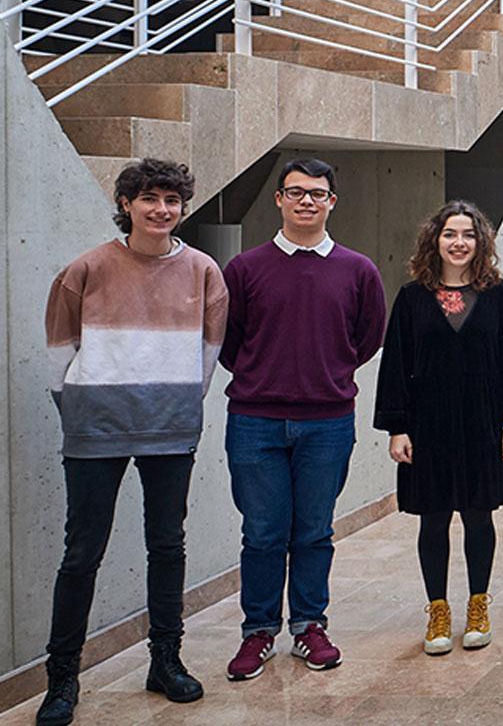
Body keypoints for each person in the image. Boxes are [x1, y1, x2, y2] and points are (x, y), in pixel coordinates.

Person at [37, 159, 226, 725]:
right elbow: (58, 353)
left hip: (170, 429)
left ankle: (165, 661)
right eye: (148, 199)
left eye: (171, 200)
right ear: (126, 204)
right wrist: (80, 409)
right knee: (81, 553)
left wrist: (179, 403)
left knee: (167, 545)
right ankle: (62, 678)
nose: (160, 210)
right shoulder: (87, 268)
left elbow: (208, 354)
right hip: (94, 429)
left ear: (182, 207)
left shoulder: (202, 270)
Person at [220, 158, 387, 680]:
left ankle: (309, 626)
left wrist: (325, 373)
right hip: (256, 420)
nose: (307, 201)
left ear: (332, 202)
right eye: (296, 193)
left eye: (317, 194)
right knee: (264, 532)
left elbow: (368, 337)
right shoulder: (244, 269)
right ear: (279, 200)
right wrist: (267, 374)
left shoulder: (358, 270)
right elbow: (229, 342)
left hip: (328, 421)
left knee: (314, 532)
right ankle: (259, 632)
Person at [375, 201, 503, 656]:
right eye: (450, 234)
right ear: (435, 240)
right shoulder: (411, 298)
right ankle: (439, 609)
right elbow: (396, 366)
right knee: (434, 517)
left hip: (483, 422)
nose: (459, 242)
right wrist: (397, 427)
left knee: (479, 514)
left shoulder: (500, 295)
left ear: (480, 242)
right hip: (428, 425)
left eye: (467, 234)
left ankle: (479, 604)